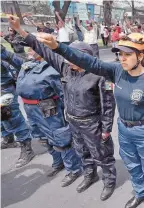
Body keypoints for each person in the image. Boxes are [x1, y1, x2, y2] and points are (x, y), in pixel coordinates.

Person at [34, 30, 144, 208]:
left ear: (140, 56)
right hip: (124, 129)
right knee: (132, 165)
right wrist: (56, 46)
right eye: (120, 54)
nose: (122, 58)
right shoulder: (116, 72)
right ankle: (140, 192)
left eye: (128, 54)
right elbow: (88, 61)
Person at [9, 16, 117, 198]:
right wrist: (20, 30)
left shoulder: (100, 75)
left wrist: (106, 129)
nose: (66, 60)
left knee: (102, 155)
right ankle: (89, 175)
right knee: (82, 151)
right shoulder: (66, 69)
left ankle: (109, 181)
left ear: (84, 58)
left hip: (92, 123)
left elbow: (108, 105)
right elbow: (44, 50)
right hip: (73, 121)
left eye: (71, 57)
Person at [3, 46, 82, 186]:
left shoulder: (52, 69)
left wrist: (70, 112)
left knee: (60, 139)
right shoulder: (27, 64)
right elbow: (8, 56)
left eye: (32, 48)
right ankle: (58, 163)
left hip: (48, 108)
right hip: (30, 109)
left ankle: (73, 169)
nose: (28, 50)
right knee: (43, 138)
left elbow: (64, 93)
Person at [1, 45, 34, 168]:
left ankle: (27, 149)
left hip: (4, 89)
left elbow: (20, 65)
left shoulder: (3, 54)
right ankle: (8, 139)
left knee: (12, 119)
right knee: (1, 120)